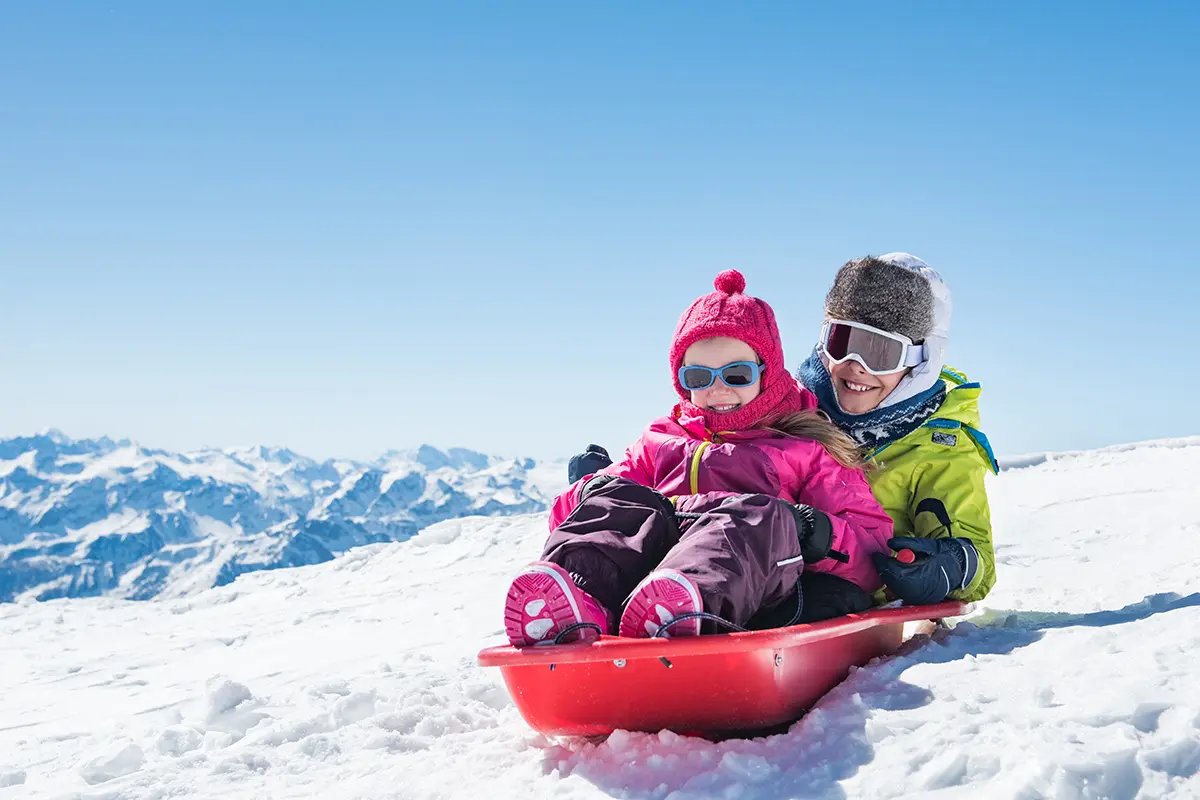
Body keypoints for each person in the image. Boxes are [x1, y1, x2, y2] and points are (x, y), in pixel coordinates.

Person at [503, 270, 893, 647]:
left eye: (736, 375)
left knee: (758, 516)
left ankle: (681, 607)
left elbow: (871, 551)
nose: (718, 389)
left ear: (767, 373)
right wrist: (590, 489)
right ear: (681, 382)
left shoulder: (805, 449)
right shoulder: (660, 440)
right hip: (645, 580)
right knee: (621, 497)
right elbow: (583, 519)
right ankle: (577, 601)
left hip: (753, 591)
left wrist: (813, 532)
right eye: (699, 378)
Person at [795, 253, 998, 604]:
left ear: (920, 362)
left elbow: (976, 554)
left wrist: (950, 564)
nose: (856, 366)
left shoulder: (939, 446)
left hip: (854, 595)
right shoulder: (792, 414)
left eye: (880, 353)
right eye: (843, 343)